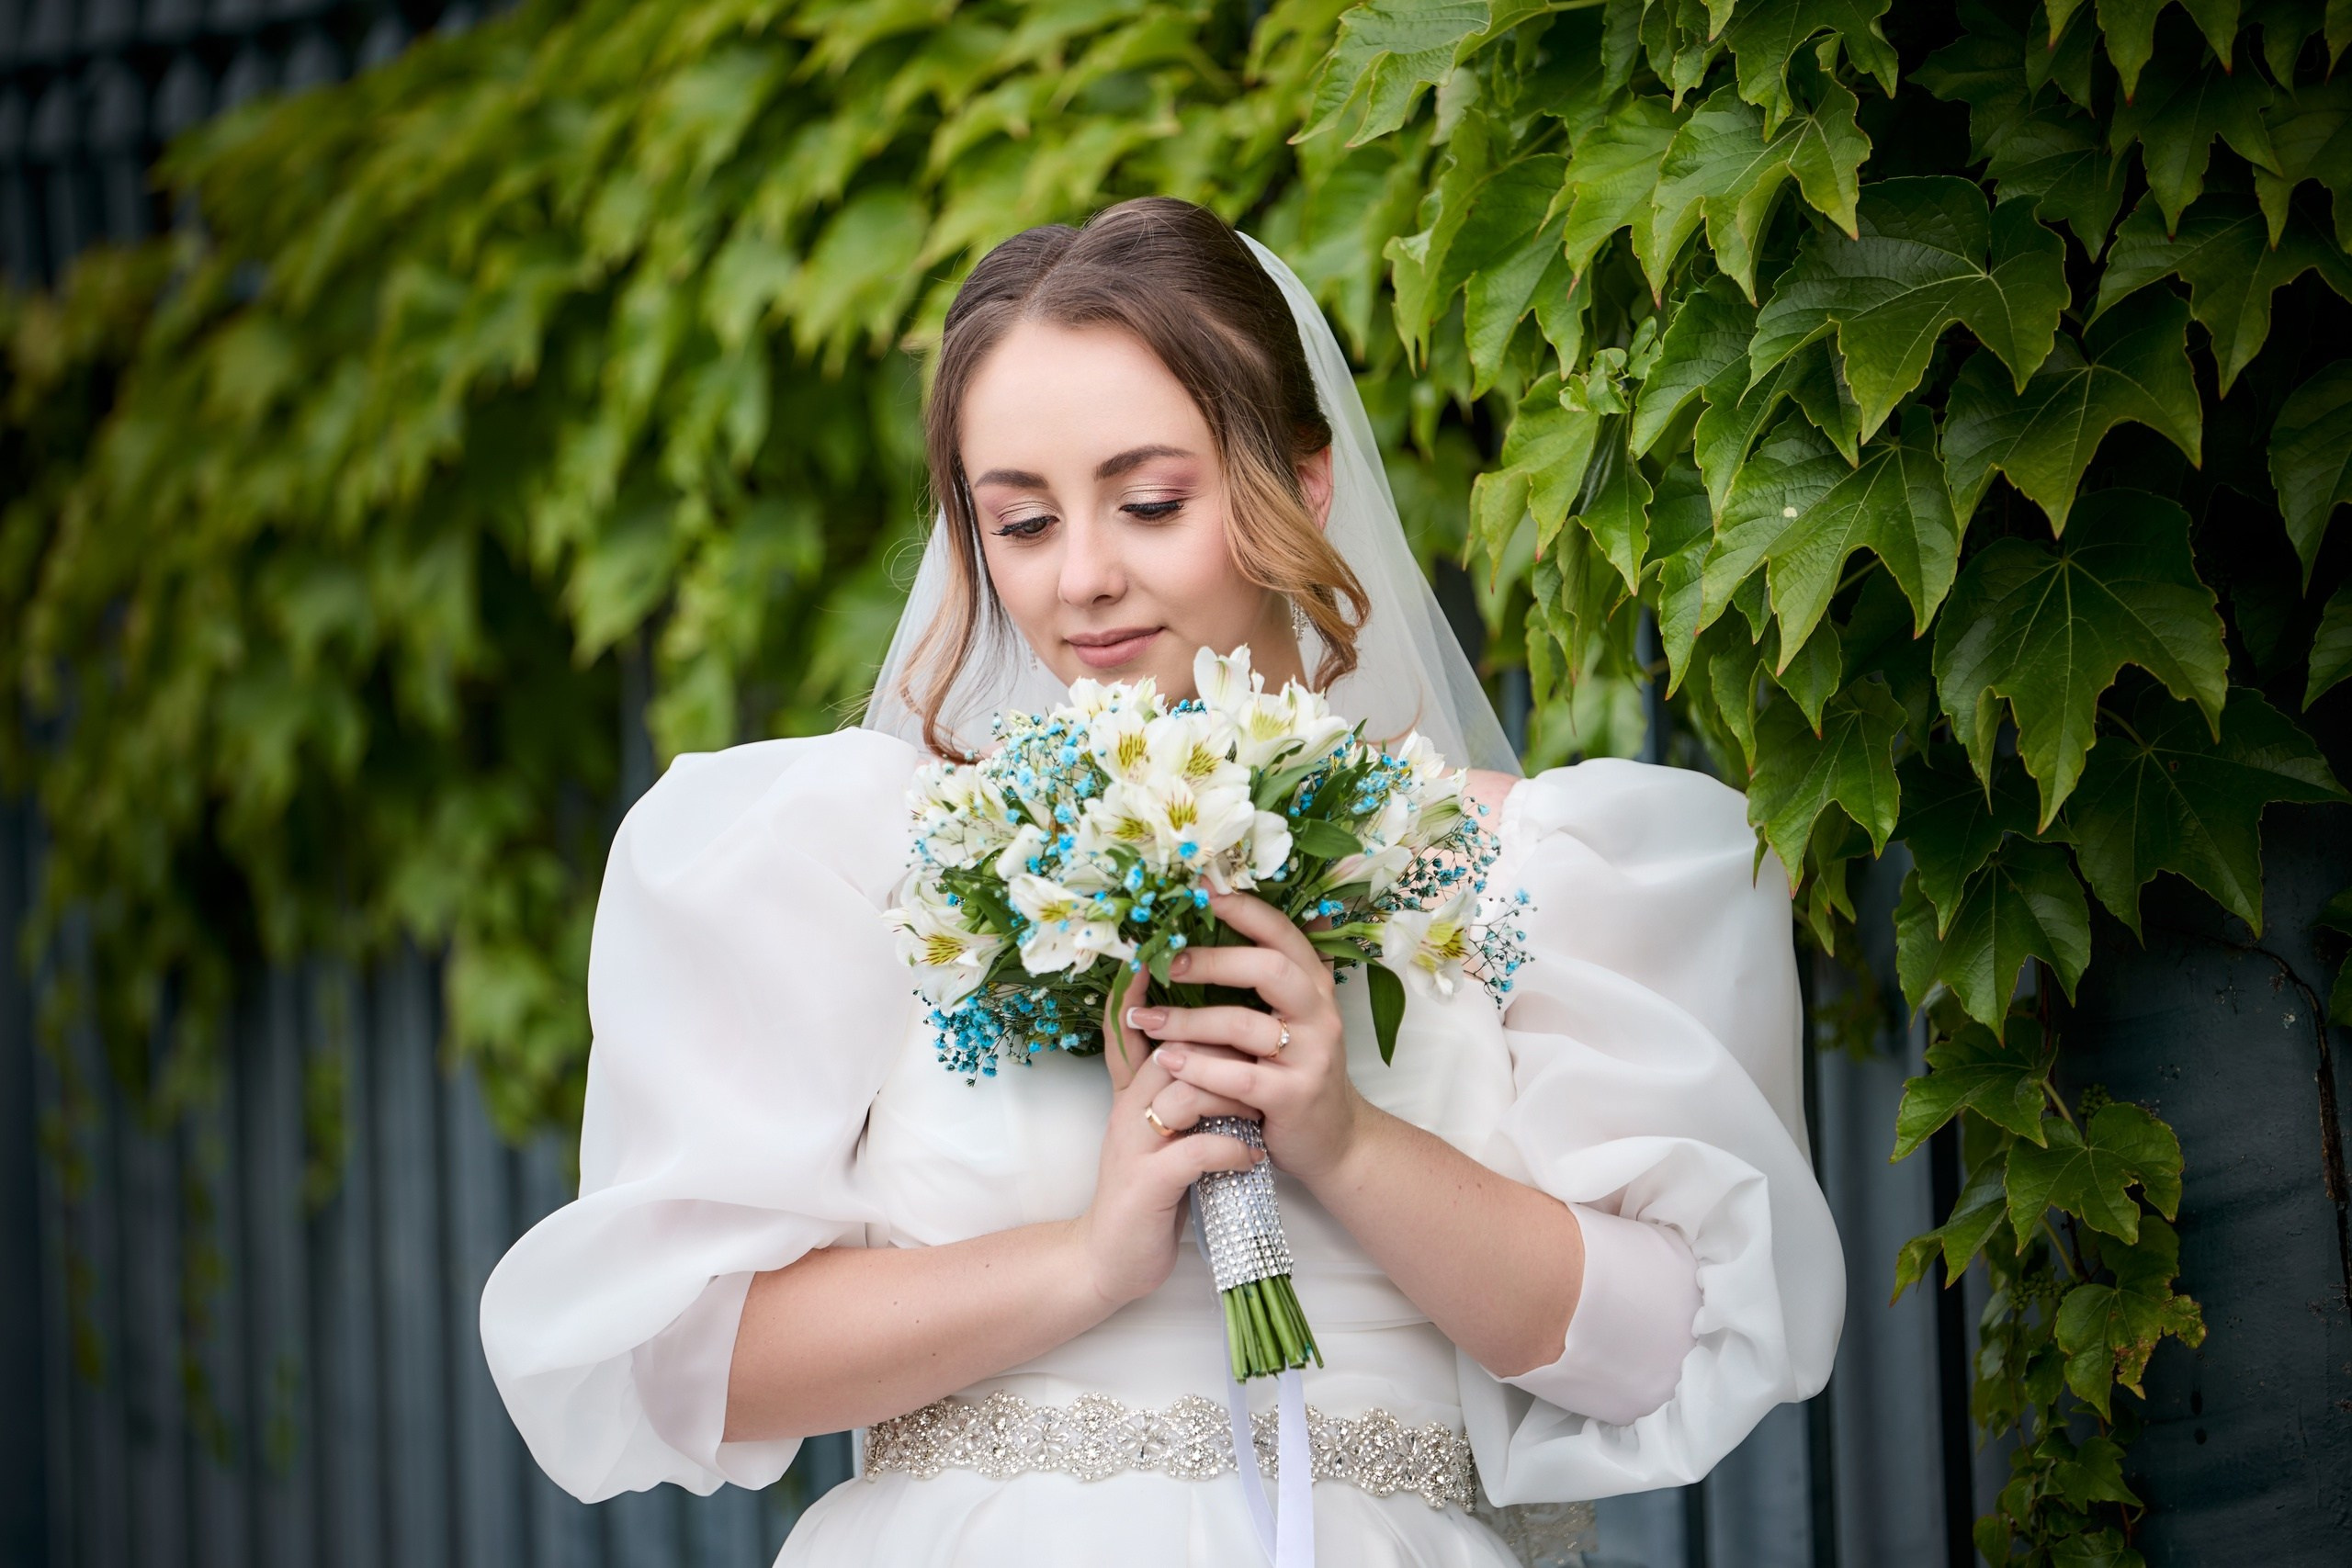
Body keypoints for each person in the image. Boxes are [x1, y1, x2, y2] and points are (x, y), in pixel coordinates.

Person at [480, 197, 1845, 1567]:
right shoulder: (870, 863)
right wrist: (1086, 1259)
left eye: (1149, 503)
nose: (1084, 579)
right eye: (1018, 524)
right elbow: (685, 1360)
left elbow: (1663, 1349)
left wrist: (1348, 1141)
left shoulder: (1511, 867)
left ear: (1304, 486)